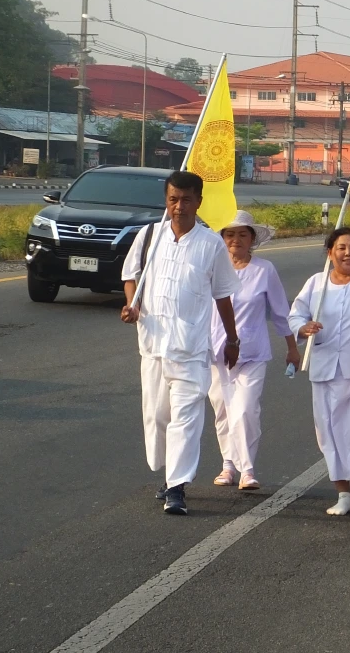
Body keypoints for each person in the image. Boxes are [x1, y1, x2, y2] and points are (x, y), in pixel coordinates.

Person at [121, 171, 239, 515]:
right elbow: (132, 276)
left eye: (186, 199)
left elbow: (223, 296)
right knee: (158, 417)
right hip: (153, 346)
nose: (179, 207)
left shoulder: (211, 243)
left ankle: (177, 487)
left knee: (185, 418)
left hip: (191, 349)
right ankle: (169, 472)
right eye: (173, 199)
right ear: (166, 200)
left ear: (199, 201)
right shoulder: (149, 236)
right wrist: (133, 305)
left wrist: (232, 339)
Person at [290, 228, 350, 515]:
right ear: (330, 253)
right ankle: (342, 493)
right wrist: (303, 328)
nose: (347, 253)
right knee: (328, 432)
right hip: (325, 365)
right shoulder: (316, 284)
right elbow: (296, 314)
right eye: (341, 248)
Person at [208, 210, 300, 491]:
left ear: (252, 239)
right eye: (230, 234)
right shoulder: (211, 268)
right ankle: (228, 466)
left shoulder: (264, 270)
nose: (235, 240)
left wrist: (292, 348)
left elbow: (281, 312)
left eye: (242, 234)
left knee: (245, 411)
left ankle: (247, 469)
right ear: (222, 239)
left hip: (253, 353)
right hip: (215, 353)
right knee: (223, 412)